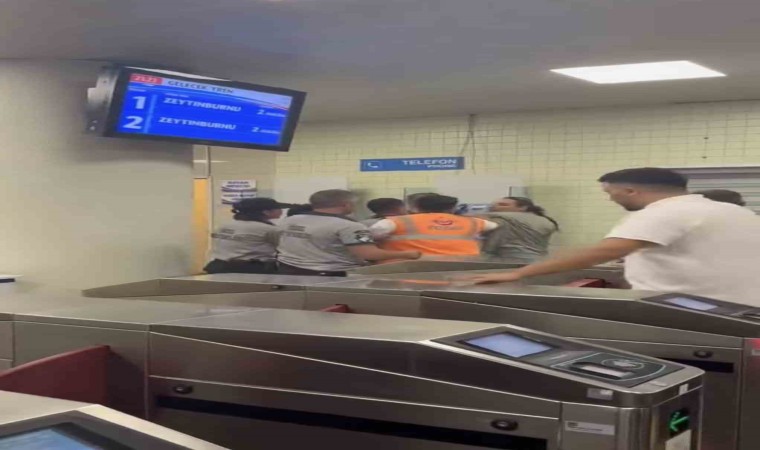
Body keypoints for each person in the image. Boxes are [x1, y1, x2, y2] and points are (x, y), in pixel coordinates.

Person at [468, 167, 760, 306]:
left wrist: (518, 274)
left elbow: (604, 252)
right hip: (740, 306)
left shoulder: (664, 212)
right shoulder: (730, 210)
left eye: (611, 193)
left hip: (693, 309)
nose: (610, 199)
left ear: (630, 190)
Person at [277, 189, 421, 276]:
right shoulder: (350, 226)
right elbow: (369, 254)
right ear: (346, 205)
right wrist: (408, 254)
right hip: (332, 275)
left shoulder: (290, 220)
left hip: (289, 270)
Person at [371, 194, 499, 256]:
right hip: (463, 268)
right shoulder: (473, 222)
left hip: (407, 269)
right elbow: (494, 226)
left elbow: (371, 234)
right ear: (452, 208)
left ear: (417, 207)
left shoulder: (396, 221)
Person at [204, 198, 293, 274]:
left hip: (218, 266)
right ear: (266, 212)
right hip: (250, 269)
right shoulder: (267, 229)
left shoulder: (224, 225)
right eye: (278, 208)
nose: (281, 211)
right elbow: (283, 247)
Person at [480, 197, 559, 262]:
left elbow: (491, 245)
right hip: (539, 261)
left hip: (509, 261)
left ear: (522, 207)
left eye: (503, 205)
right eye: (494, 205)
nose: (495, 207)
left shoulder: (503, 219)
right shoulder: (545, 220)